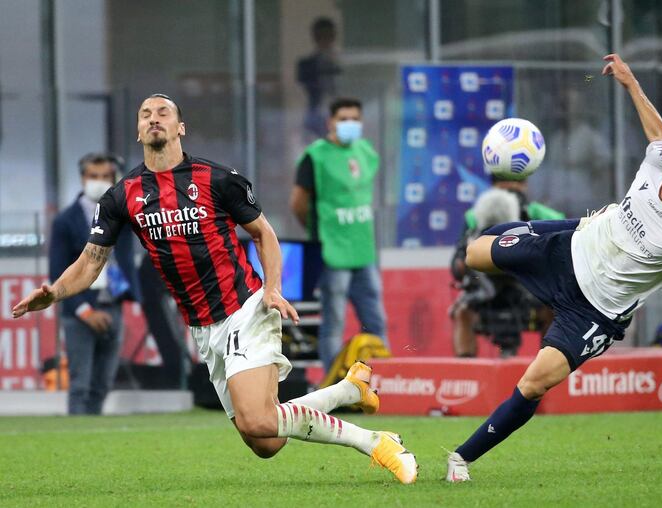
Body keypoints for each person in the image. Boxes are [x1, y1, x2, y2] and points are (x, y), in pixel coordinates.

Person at [13, 94, 417, 484]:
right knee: (266, 440)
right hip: (202, 326)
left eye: (163, 113)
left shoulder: (218, 179)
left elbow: (265, 235)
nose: (154, 118)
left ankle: (375, 442)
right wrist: (56, 292)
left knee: (258, 419)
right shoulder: (121, 196)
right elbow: (90, 261)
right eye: (145, 113)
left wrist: (273, 289)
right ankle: (349, 389)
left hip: (243, 305)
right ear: (138, 131)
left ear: (180, 127)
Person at [444, 54, 662, 482]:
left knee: (536, 381)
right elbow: (658, 132)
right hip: (568, 250)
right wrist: (630, 83)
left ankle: (460, 458)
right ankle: (536, 224)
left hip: (594, 313)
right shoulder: (659, 158)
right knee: (475, 254)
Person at [290, 97, 388, 372]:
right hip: (332, 252)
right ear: (330, 122)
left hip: (364, 251)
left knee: (376, 320)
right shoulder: (315, 156)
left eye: (355, 119)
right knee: (334, 323)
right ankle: (335, 386)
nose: (350, 124)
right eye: (343, 119)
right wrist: (319, 230)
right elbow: (298, 202)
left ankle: (385, 381)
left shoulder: (366, 151)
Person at [49, 152, 140, 414]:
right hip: (79, 311)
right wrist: (84, 312)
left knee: (102, 383)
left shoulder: (122, 217)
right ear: (82, 179)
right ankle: (74, 442)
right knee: (80, 384)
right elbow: (57, 272)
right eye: (93, 176)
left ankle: (93, 437)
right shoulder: (66, 220)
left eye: (106, 177)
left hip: (112, 305)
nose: (99, 181)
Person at [450, 175, 564, 357]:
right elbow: (456, 268)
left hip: (529, 293)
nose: (510, 186)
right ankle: (467, 374)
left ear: (525, 184)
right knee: (462, 312)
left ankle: (550, 370)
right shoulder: (473, 218)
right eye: (502, 180)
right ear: (493, 185)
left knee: (558, 312)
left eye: (516, 180)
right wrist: (465, 258)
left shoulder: (546, 217)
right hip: (485, 295)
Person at [296, 17, 341, 139]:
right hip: (315, 116)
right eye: (321, 36)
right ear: (315, 37)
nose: (325, 40)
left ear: (333, 37)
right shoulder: (306, 65)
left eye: (328, 36)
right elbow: (303, 86)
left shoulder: (340, 64)